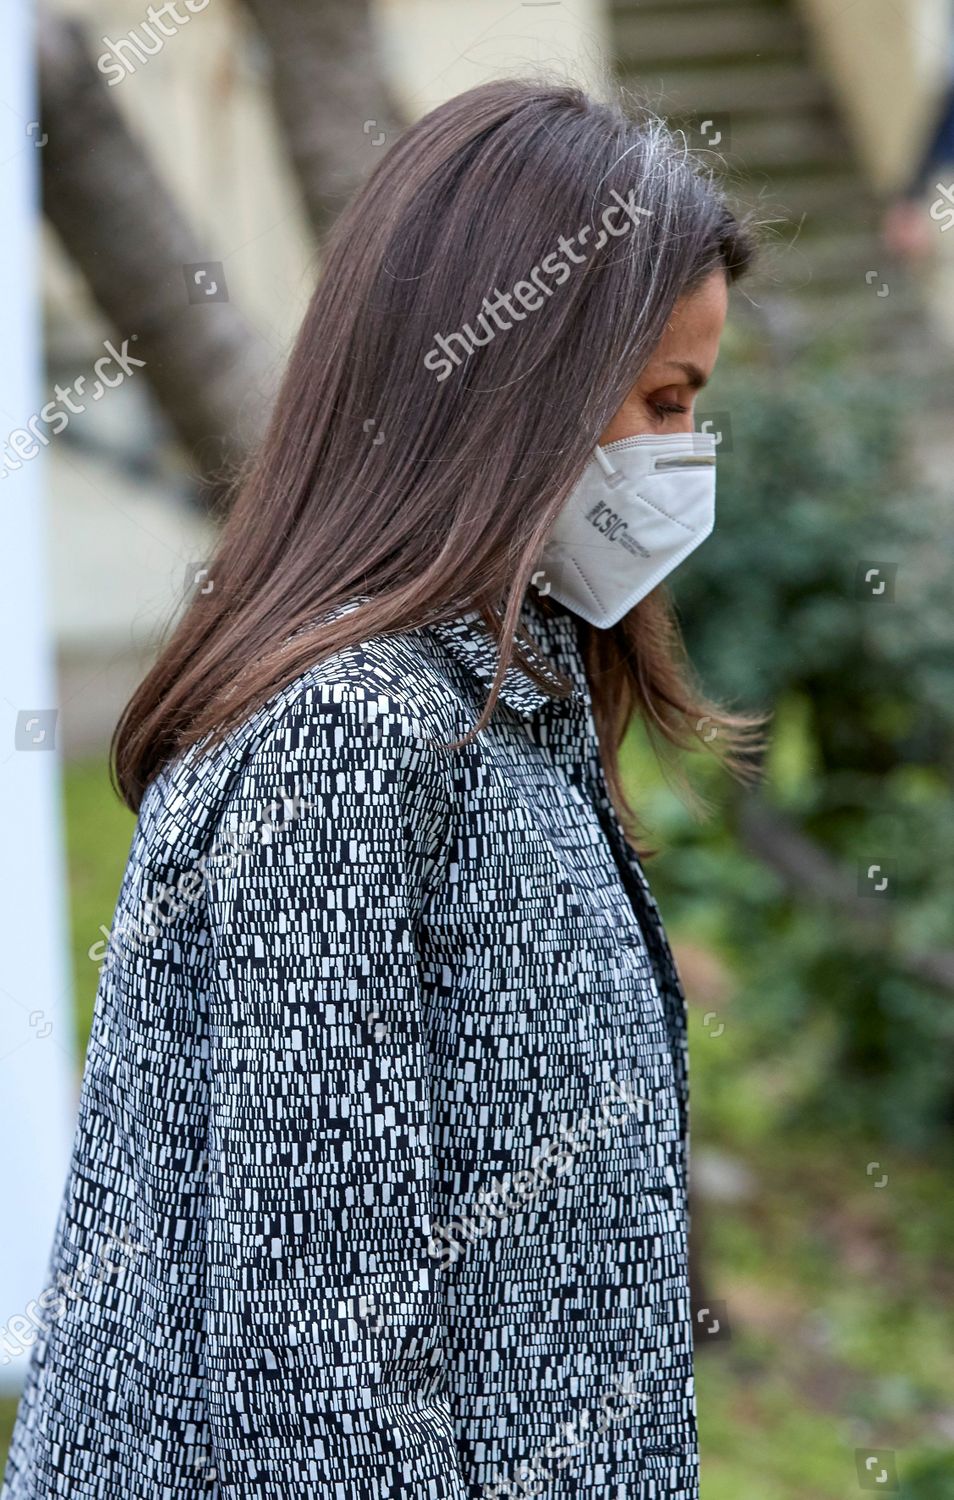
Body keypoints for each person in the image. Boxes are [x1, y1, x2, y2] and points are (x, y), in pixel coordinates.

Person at [3, 79, 765, 1499]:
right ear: (513, 377)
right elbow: (317, 1355)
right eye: (658, 399)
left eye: (693, 404)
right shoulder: (344, 738)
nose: (678, 454)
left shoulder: (505, 700)